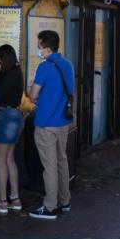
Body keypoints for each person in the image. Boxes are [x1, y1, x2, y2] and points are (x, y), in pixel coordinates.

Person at [28, 29, 74, 220]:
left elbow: (33, 95)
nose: (38, 49)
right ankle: (65, 201)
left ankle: (50, 206)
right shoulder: (67, 64)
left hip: (46, 123)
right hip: (63, 121)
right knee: (62, 161)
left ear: (46, 48)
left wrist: (32, 89)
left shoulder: (45, 67)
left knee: (50, 166)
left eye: (39, 46)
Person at [0, 44, 25, 215]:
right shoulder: (17, 72)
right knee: (10, 159)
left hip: (5, 116)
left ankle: (3, 202)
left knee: (1, 160)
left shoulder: (8, 75)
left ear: (3, 59)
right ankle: (15, 199)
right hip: (17, 116)